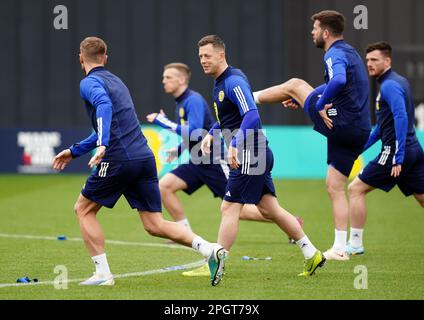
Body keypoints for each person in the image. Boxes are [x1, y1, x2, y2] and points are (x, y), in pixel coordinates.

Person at [52, 36, 223, 286]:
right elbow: (112, 124)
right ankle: (210, 249)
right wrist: (75, 150)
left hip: (118, 158)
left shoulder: (89, 83)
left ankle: (102, 274)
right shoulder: (118, 82)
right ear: (105, 58)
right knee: (154, 224)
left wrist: (102, 144)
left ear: (81, 58)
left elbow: (102, 106)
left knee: (84, 209)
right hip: (143, 158)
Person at [198, 34, 325, 286]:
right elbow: (230, 117)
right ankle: (311, 253)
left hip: (249, 152)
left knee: (229, 207)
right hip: (256, 150)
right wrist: (213, 134)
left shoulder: (232, 81)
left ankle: (218, 258)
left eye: (207, 56)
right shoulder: (220, 83)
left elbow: (252, 115)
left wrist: (233, 144)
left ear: (221, 55)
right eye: (200, 56)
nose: (203, 60)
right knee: (270, 209)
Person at [253, 10, 371, 261]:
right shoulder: (350, 52)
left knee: (295, 84)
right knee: (335, 186)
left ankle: (246, 100)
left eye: (315, 29)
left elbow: (337, 80)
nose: (312, 33)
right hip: (358, 129)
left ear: (326, 33)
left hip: (341, 122)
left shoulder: (334, 53)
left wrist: (319, 104)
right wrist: (316, 97)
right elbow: (338, 83)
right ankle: (341, 248)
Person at [146, 62, 273, 277]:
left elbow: (196, 132)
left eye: (168, 77)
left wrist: (164, 122)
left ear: (181, 80)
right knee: (164, 186)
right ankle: (182, 230)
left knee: (235, 209)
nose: (163, 81)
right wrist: (178, 151)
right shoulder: (181, 103)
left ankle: (282, 219)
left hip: (213, 160)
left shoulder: (193, 100)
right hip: (197, 161)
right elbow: (193, 135)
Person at [347, 41, 424, 255]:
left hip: (397, 153)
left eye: (375, 60)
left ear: (387, 61)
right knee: (422, 198)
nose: (369, 64)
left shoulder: (389, 86)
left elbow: (401, 116)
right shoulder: (398, 81)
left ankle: (354, 244)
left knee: (355, 189)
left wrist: (398, 157)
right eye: (368, 60)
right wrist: (359, 149)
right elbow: (383, 127)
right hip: (414, 149)